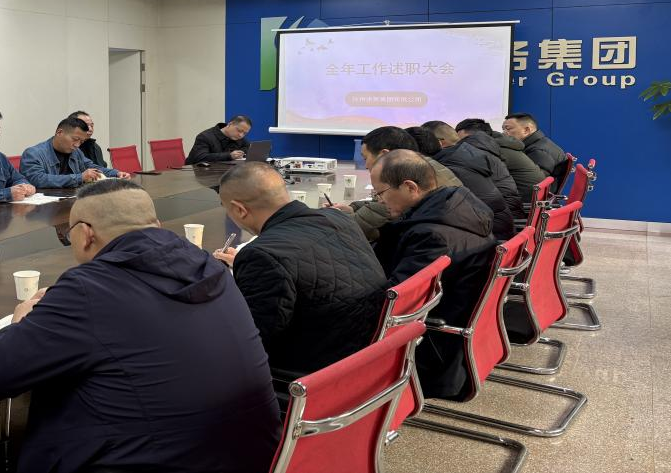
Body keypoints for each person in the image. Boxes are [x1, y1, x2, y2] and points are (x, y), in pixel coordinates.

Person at [0, 180, 280, 473]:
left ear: (85, 234)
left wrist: (20, 321)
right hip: (255, 457)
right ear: (156, 226)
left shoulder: (89, 288)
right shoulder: (211, 267)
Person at [212, 163, 387, 383]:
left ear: (239, 209)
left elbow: (252, 340)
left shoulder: (263, 255)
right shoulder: (338, 218)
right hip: (368, 353)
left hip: (314, 374)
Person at [369, 150, 496, 399]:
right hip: (456, 337)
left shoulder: (432, 236)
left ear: (410, 187)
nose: (379, 201)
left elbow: (394, 305)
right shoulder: (457, 209)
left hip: (431, 353)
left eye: (380, 193)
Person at [334, 126, 461, 241]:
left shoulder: (404, 177)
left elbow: (350, 230)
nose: (366, 165)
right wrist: (354, 208)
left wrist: (344, 215)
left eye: (365, 158)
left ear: (384, 155)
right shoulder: (421, 166)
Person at [418, 121, 516, 239]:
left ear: (440, 142)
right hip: (502, 222)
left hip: (493, 232)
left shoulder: (450, 164)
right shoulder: (469, 154)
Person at [456, 118, 546, 206]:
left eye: (464, 140)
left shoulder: (492, 150)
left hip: (521, 205)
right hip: (530, 201)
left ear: (478, 136)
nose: (460, 144)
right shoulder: (499, 145)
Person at [20, 117, 130, 188]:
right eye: (75, 139)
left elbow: (92, 167)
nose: (77, 145)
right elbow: (38, 180)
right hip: (44, 209)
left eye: (81, 142)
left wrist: (116, 173)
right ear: (59, 132)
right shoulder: (33, 154)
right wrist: (79, 177)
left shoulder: (76, 152)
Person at [502, 112, 568, 176]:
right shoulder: (539, 143)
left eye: (508, 129)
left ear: (526, 130)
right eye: (503, 129)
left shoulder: (539, 151)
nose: (503, 133)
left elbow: (535, 180)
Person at [186, 115, 252, 164]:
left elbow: (246, 148)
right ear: (230, 124)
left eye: (245, 133)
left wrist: (241, 153)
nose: (241, 135)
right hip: (197, 172)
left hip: (223, 171)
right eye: (239, 130)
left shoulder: (239, 138)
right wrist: (229, 155)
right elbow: (200, 157)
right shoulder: (205, 137)